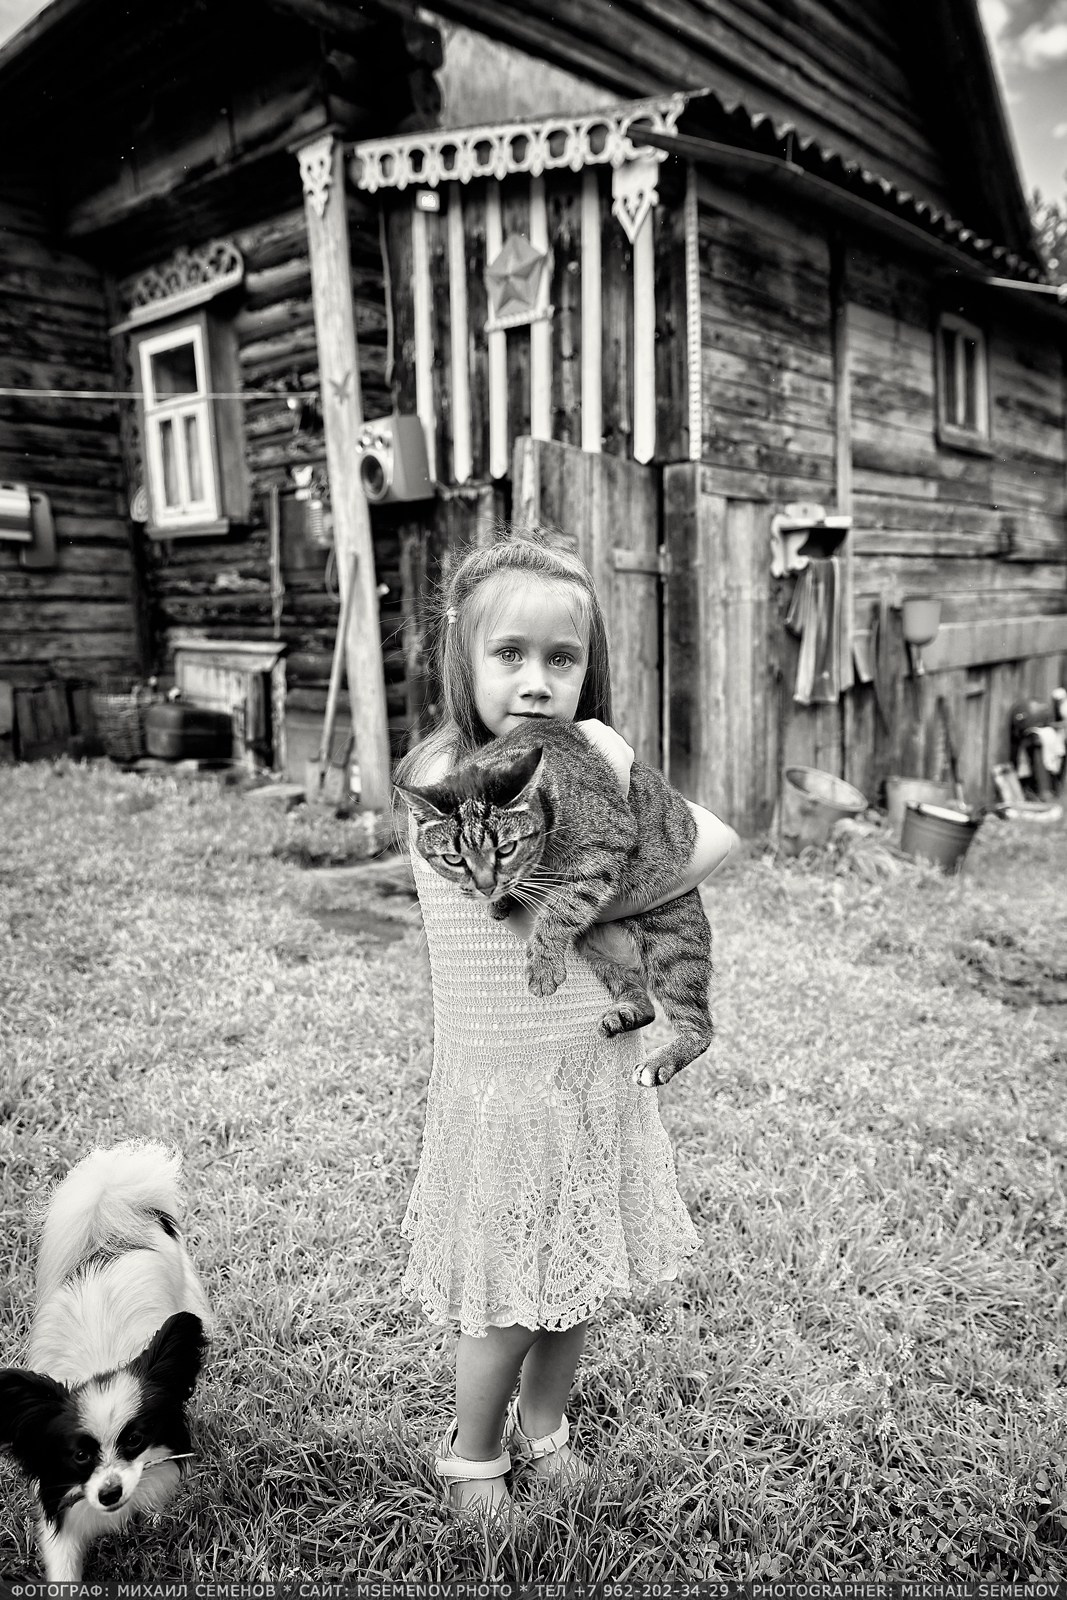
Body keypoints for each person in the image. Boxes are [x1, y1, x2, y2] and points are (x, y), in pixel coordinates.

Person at [393, 529, 737, 1515]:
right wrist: (621, 779)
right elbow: (687, 854)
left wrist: (615, 770)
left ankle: (543, 1428)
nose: (535, 682)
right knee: (510, 1290)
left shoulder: (573, 763)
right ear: (461, 657)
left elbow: (699, 845)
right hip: (508, 1087)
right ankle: (470, 1455)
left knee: (572, 1276)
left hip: (585, 1064)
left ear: (589, 669)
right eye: (508, 653)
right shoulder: (449, 777)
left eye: (561, 658)